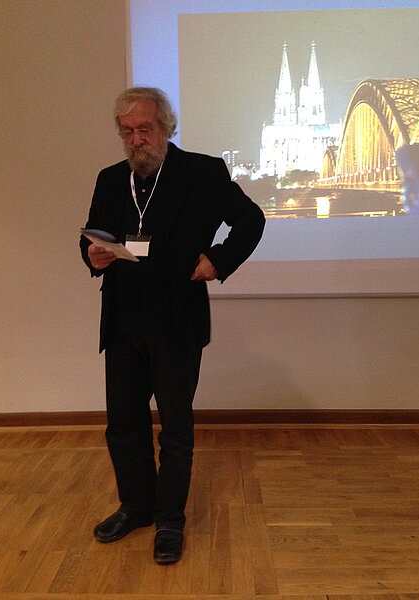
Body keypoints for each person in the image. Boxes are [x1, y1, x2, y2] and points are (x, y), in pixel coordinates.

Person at [80, 87, 265, 564]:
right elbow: (93, 235)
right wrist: (92, 255)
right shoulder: (110, 179)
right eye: (127, 132)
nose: (136, 140)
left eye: (145, 129)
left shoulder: (202, 172)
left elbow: (251, 219)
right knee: (123, 426)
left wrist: (218, 260)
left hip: (176, 319)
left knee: (175, 428)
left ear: (166, 127)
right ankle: (135, 507)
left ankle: (169, 520)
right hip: (122, 319)